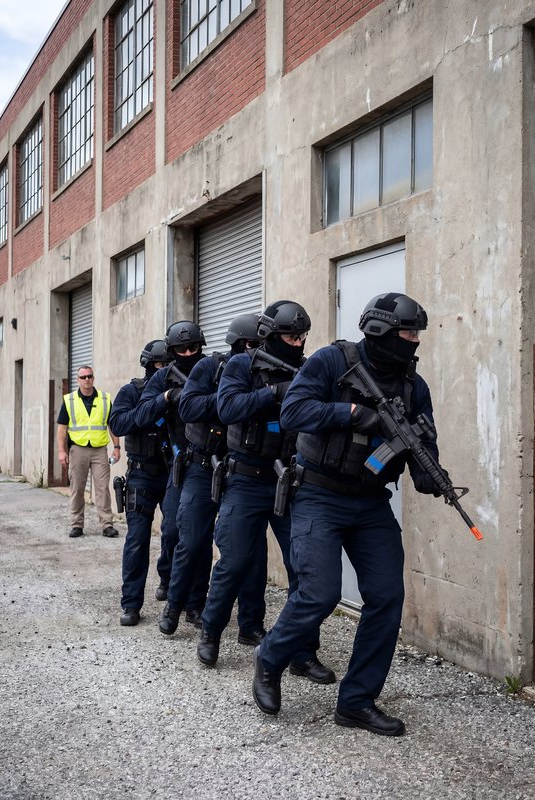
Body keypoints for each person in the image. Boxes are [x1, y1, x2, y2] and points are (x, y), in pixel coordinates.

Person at [252, 292, 442, 737]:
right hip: (319, 494)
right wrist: (355, 413)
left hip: (372, 501)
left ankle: (356, 701)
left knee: (386, 597)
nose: (414, 342)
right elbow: (295, 411)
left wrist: (430, 471)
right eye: (407, 333)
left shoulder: (414, 386)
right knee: (319, 594)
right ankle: (271, 657)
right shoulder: (331, 362)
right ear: (380, 332)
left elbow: (424, 440)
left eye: (416, 334)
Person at [197, 300, 335, 686]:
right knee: (235, 561)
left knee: (304, 571)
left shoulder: (307, 366)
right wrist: (276, 393)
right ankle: (211, 632)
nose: (298, 342)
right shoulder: (242, 365)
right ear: (270, 336)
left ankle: (303, 654)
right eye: (291, 336)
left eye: (302, 336)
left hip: (290, 481)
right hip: (245, 479)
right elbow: (227, 409)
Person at [159, 314, 268, 641]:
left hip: (242, 473)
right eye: (250, 345)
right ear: (235, 344)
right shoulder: (211, 368)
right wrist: (229, 401)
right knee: (189, 541)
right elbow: (189, 408)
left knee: (252, 551)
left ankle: (250, 625)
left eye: (260, 345)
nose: (255, 351)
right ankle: (174, 607)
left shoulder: (263, 375)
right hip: (202, 468)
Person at [134, 321, 211, 622]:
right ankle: (170, 588)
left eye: (193, 348)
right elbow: (139, 415)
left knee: (201, 539)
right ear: (172, 351)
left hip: (213, 463)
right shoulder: (165, 376)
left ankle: (195, 603)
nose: (189, 353)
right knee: (174, 532)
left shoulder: (212, 369)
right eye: (182, 349)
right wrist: (166, 398)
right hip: (181, 464)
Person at [109, 340, 173, 626]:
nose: (166, 370)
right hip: (141, 474)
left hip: (173, 472)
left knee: (176, 532)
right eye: (161, 366)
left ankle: (168, 580)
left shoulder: (181, 390)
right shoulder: (131, 391)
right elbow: (118, 424)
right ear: (149, 366)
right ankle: (131, 604)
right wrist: (153, 407)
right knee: (137, 540)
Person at [57, 365, 120, 538]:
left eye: (89, 376)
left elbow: (112, 425)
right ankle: (76, 524)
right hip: (78, 450)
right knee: (77, 488)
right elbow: (62, 429)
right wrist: (62, 451)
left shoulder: (105, 399)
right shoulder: (69, 400)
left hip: (99, 450)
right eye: (83, 377)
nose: (87, 380)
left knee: (102, 488)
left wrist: (116, 447)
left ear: (93, 378)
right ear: (78, 379)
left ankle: (107, 524)